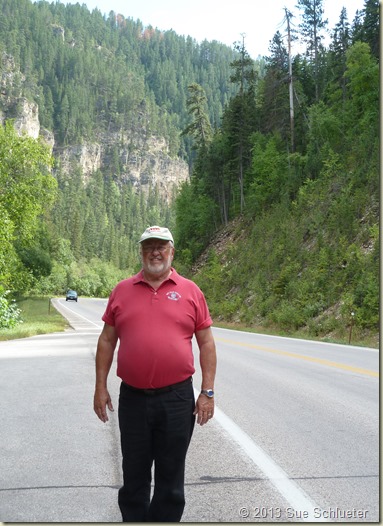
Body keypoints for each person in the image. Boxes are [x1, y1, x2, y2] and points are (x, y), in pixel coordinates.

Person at [93, 225, 217, 522]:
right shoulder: (122, 291)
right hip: (133, 398)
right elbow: (107, 340)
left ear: (172, 252)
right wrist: (100, 386)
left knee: (170, 479)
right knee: (134, 475)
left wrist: (207, 391)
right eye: (149, 247)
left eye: (161, 247)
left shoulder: (191, 291)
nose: (155, 252)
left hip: (176, 398)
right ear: (141, 252)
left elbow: (207, 343)